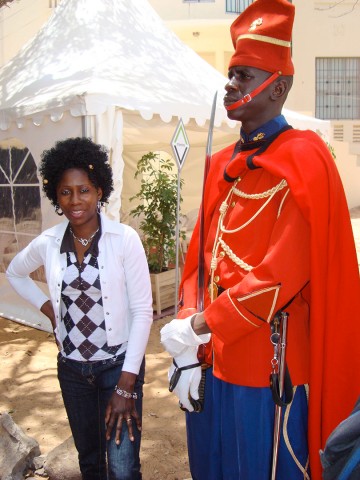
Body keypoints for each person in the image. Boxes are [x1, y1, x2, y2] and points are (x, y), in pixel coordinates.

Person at [160, 1, 360, 479]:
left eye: (245, 76)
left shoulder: (305, 159)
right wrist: (189, 340)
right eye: (231, 74)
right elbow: (199, 261)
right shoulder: (219, 164)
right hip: (211, 357)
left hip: (266, 366)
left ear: (280, 87)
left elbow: (279, 277)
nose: (231, 85)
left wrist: (201, 325)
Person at [6, 137, 153, 480]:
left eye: (84, 190)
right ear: (56, 197)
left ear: (99, 190)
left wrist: (125, 385)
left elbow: (143, 311)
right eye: (66, 192)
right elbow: (15, 272)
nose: (76, 200)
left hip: (118, 366)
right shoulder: (48, 243)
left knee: (122, 467)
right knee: (89, 462)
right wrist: (49, 310)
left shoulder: (124, 240)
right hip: (72, 370)